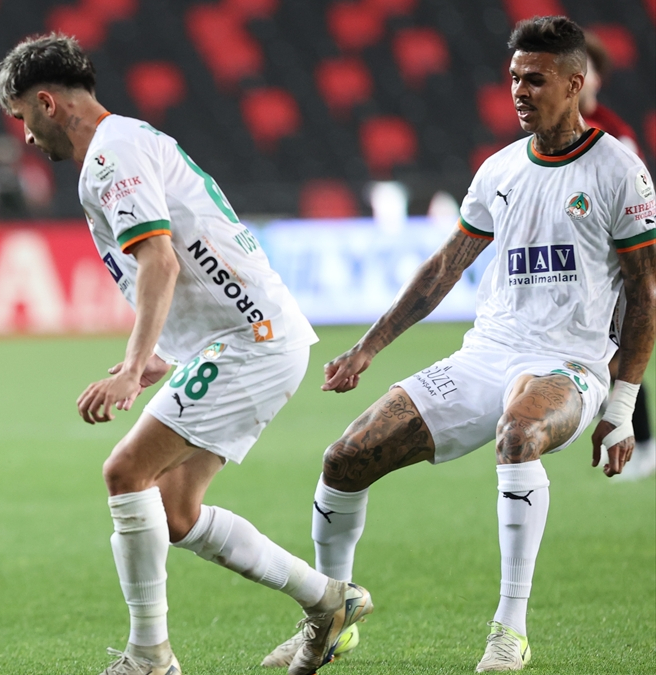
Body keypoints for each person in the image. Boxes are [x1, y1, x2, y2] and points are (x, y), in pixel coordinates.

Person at [259, 16, 655, 673]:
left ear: (574, 84)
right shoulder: (500, 169)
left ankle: (510, 630)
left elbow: (644, 293)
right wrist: (368, 347)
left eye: (536, 79)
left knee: (519, 433)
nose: (520, 91)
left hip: (569, 363)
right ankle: (329, 617)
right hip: (486, 355)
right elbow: (446, 265)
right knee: (345, 458)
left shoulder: (620, 171)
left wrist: (621, 406)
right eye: (514, 78)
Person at [0, 34, 372, 675]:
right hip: (248, 336)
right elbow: (194, 254)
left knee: (124, 473)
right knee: (174, 512)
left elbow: (161, 261)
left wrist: (131, 366)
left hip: (252, 340)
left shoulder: (111, 155)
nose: (25, 135)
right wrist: (164, 357)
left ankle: (149, 656)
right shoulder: (128, 141)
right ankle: (329, 601)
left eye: (22, 116)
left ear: (47, 103)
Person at [579, 30, 655, 480]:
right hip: (582, 264)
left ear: (595, 78)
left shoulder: (613, 135)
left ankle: (639, 441)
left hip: (614, 264)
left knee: (618, 354)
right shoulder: (553, 133)